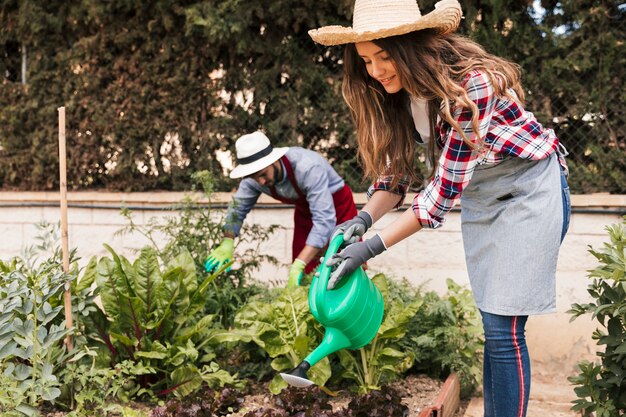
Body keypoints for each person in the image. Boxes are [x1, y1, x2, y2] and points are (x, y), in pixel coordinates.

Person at [308, 0, 571, 416]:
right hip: (484, 196)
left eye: (384, 56)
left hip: (528, 191)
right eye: (366, 60)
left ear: (411, 46)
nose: (375, 71)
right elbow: (396, 176)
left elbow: (439, 196)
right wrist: (361, 220)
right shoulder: (396, 93)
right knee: (493, 324)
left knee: (504, 330)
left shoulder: (473, 85)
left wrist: (370, 248)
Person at [204, 131, 359, 288]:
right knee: (307, 276)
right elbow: (237, 208)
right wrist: (227, 240)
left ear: (274, 160)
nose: (261, 182)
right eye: (255, 177)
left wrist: (300, 264)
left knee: (346, 264)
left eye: (263, 174)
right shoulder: (254, 179)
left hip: (339, 209)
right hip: (306, 214)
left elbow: (325, 219)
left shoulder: (307, 167)